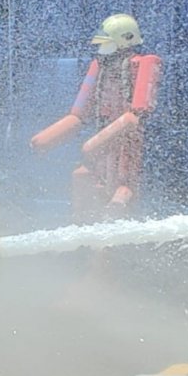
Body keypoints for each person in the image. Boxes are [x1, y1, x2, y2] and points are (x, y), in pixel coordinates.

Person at [30, 13, 162, 223]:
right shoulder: (100, 69)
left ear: (124, 40)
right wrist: (46, 140)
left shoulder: (142, 65)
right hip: (103, 137)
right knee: (82, 176)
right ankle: (82, 226)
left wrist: (93, 145)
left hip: (126, 142)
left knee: (122, 185)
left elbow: (135, 116)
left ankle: (115, 221)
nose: (102, 48)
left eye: (106, 43)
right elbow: (78, 115)